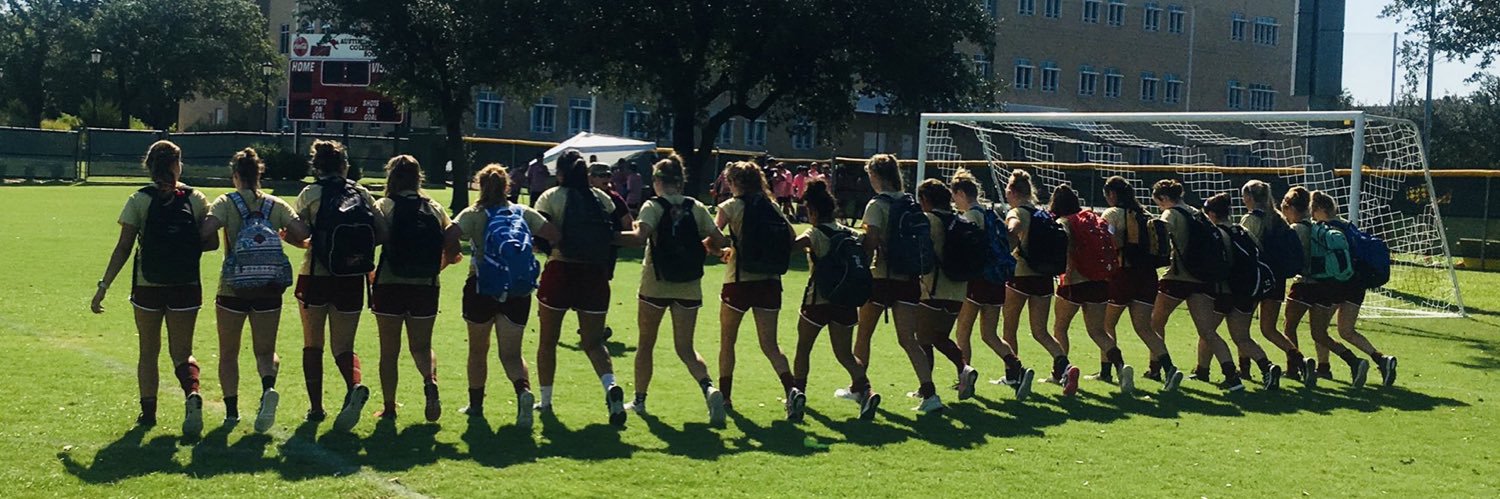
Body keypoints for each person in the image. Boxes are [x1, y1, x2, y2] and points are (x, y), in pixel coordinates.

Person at [91, 140, 215, 435]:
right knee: (182, 352)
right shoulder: (195, 198)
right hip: (186, 284)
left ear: (148, 166)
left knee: (148, 351)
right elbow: (211, 242)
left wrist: (103, 285)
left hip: (148, 285)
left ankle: (148, 414)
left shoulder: (139, 199)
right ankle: (192, 394)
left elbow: (123, 248)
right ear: (177, 165)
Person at [614, 155, 729, 423]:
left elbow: (639, 237)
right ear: (680, 181)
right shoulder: (696, 206)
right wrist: (708, 247)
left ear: (657, 181)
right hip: (689, 286)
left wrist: (606, 237)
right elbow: (719, 238)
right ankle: (709, 388)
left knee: (646, 344)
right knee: (685, 348)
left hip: (656, 283)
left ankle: (640, 400)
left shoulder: (653, 206)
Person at [200, 148, 308, 432]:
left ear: (236, 176)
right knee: (265, 351)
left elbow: (205, 229)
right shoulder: (276, 205)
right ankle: (267, 387)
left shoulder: (226, 202)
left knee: (228, 353)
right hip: (269, 289)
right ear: (260, 174)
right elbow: (302, 231)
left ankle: (232, 412)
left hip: (232, 289)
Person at [446, 163, 559, 428]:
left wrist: (452, 253)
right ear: (507, 186)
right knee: (511, 353)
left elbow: (449, 234)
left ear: (480, 185)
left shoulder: (473, 214)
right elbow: (554, 235)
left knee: (478, 350)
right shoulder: (523, 212)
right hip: (517, 290)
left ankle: (475, 405)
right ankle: (523, 392)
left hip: (481, 287)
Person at [295, 139, 389, 430]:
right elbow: (382, 232)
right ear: (345, 165)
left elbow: (297, 231)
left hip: (315, 276)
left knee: (313, 344)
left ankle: (315, 408)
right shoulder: (360, 192)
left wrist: (301, 239)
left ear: (316, 166)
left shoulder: (310, 193)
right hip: (351, 278)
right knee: (343, 345)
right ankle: (354, 385)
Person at [534, 156, 628, 425]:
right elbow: (617, 231)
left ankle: (547, 400)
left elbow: (542, 234)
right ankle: (610, 387)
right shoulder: (601, 197)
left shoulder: (550, 196)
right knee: (594, 342)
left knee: (548, 341)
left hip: (560, 272)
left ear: (560, 173)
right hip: (595, 275)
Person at [854, 154, 942, 413]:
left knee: (864, 334)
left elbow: (871, 243)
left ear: (877, 176)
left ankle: (860, 387)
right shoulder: (910, 202)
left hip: (882, 277)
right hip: (909, 278)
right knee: (909, 339)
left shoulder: (876, 205)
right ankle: (930, 393)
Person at [712, 161, 801, 418]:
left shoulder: (730, 206)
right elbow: (791, 239)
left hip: (739, 281)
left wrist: (723, 250)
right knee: (770, 344)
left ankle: (726, 398)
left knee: (728, 341)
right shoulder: (771, 206)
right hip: (770, 282)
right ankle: (792, 390)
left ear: (734, 182)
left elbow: (711, 237)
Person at [790, 179, 882, 420]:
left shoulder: (815, 233)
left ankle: (798, 393)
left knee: (803, 349)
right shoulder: (848, 233)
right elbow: (868, 242)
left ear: (812, 211)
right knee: (844, 354)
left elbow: (791, 247)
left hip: (817, 300)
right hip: (846, 301)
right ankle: (866, 389)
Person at [370, 155, 453, 422]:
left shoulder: (385, 205)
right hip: (426, 286)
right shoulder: (434, 207)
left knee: (389, 351)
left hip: (390, 283)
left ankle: (390, 406)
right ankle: (430, 380)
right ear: (419, 177)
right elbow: (452, 244)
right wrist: (436, 267)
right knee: (421, 346)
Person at [1148, 179, 1244, 392]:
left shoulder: (1170, 214)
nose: (1159, 208)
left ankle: (1157, 368)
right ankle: (1233, 377)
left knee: (1154, 323)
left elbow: (1160, 242)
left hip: (1177, 276)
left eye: (1159, 203)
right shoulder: (1197, 213)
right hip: (1203, 279)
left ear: (1164, 199)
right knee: (1208, 331)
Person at [950, 170, 1035, 400]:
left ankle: (964, 377)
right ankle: (1017, 368)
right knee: (990, 334)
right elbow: (1009, 239)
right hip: (997, 280)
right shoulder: (993, 213)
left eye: (954, 196)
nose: (954, 201)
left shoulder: (971, 216)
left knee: (963, 331)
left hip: (978, 279)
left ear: (961, 193)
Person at [1303, 190, 1399, 387]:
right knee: (1346, 331)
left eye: (1313, 211)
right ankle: (1381, 359)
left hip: (1337, 284)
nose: (1312, 215)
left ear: (1321, 210)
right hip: (1358, 284)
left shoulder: (1326, 230)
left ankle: (1326, 367)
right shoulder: (1349, 225)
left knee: (1319, 329)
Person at [1048, 184, 1135, 394]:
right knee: (1098, 330)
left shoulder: (1065, 222)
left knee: (1060, 327)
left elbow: (1066, 249)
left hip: (1074, 281)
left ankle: (1061, 372)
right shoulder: (1092, 219)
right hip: (1100, 280)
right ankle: (1121, 366)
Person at [1002, 169, 1079, 395]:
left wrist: (1005, 246)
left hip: (1021, 275)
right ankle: (1065, 365)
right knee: (1040, 331)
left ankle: (1013, 375)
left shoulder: (1017, 212)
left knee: (1009, 327)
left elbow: (1013, 228)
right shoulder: (1042, 213)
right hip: (1045, 277)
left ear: (1013, 191)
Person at [1099, 176, 1180, 391]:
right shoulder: (1145, 214)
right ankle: (1169, 368)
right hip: (1147, 276)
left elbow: (1109, 241)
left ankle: (1108, 370)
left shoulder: (1113, 214)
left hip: (1122, 274)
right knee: (1144, 327)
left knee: (1106, 325)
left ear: (1112, 194)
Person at [1201, 193, 1284, 390]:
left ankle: (1204, 371)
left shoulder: (1218, 234)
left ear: (1212, 214)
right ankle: (1267, 367)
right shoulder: (1242, 231)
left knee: (1207, 332)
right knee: (1242, 337)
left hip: (1226, 291)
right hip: (1248, 291)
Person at [916, 179, 979, 408]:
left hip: (933, 288)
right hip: (958, 289)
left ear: (925, 200)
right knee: (939, 337)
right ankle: (964, 369)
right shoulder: (958, 219)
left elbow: (922, 253)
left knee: (922, 339)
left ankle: (927, 388)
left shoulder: (929, 220)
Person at [1240, 180, 1311, 383]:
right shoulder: (1279, 219)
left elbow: (1243, 250)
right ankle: (1300, 359)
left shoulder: (1252, 219)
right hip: (1276, 279)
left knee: (1241, 330)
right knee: (1269, 328)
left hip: (1255, 279)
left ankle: (1244, 369)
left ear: (1250, 198)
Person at [1281, 187, 1324, 386]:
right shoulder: (1315, 226)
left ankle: (1295, 366)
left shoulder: (1296, 229)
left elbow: (1291, 257)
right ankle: (1343, 362)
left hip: (1303, 283)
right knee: (1320, 332)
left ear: (1290, 208)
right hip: (1320, 283)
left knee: (1289, 326)